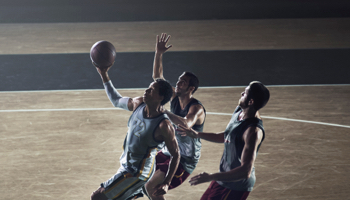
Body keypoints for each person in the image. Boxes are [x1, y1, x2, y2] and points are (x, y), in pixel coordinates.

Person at [90, 63, 180, 200]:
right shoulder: (138, 103)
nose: (146, 90)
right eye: (148, 87)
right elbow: (116, 100)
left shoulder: (164, 125)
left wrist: (166, 183)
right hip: (126, 165)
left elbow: (176, 154)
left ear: (160, 97)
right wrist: (104, 74)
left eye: (151, 90)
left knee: (98, 196)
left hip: (139, 173)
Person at [177, 81, 270, 200]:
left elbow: (245, 171)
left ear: (251, 101)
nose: (241, 93)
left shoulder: (253, 131)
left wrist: (211, 177)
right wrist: (197, 134)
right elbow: (227, 136)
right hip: (223, 179)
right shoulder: (240, 111)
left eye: (245, 93)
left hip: (235, 186)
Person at [144, 33, 206, 200]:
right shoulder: (175, 97)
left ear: (191, 88)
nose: (178, 83)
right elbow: (158, 79)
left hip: (185, 159)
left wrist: (164, 112)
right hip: (169, 149)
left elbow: (186, 123)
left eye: (183, 82)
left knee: (151, 187)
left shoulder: (197, 108)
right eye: (178, 80)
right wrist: (159, 53)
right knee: (143, 178)